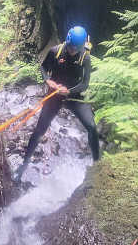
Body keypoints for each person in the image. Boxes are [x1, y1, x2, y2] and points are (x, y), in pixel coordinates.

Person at [16, 26, 100, 180]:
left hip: (74, 96)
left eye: (76, 48)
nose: (73, 51)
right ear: (67, 42)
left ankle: (98, 166)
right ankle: (23, 167)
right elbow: (43, 68)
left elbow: (85, 83)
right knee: (39, 130)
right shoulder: (55, 51)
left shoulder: (85, 58)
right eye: (71, 47)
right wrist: (49, 81)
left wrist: (69, 91)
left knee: (92, 127)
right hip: (54, 96)